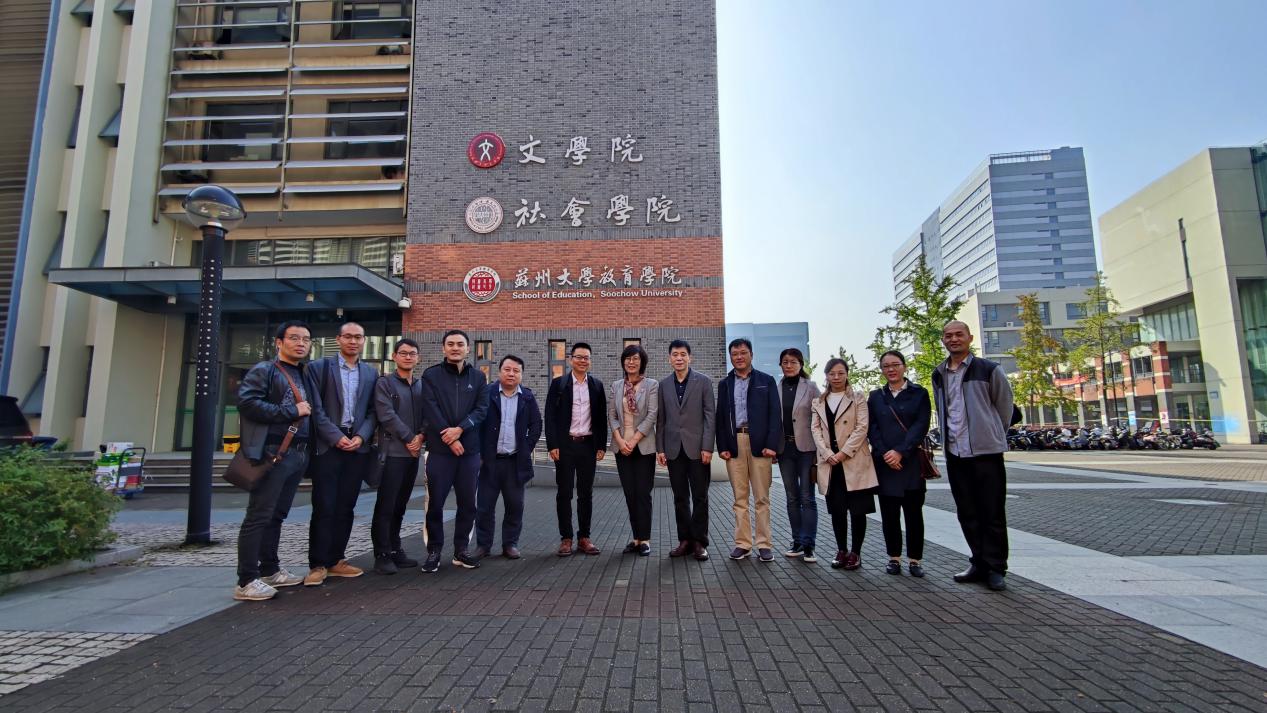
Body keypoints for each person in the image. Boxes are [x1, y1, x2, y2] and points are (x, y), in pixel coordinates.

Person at [233, 321, 327, 601]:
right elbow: (247, 403)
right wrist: (290, 411)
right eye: (294, 338)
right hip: (274, 451)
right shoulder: (266, 370)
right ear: (279, 342)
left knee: (277, 514)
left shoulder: (304, 373)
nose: (301, 343)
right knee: (259, 515)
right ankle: (246, 580)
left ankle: (270, 569)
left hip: (298, 453)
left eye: (306, 339)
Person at [932, 320, 1015, 591]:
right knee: (967, 511)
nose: (953, 339)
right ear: (943, 340)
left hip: (985, 452)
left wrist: (991, 434)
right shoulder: (939, 373)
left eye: (959, 334)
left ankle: (996, 567)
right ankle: (978, 561)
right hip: (955, 452)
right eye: (948, 335)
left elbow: (1004, 408)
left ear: (969, 338)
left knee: (992, 511)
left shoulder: (988, 369)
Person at [302, 322, 378, 586]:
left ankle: (336, 559)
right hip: (328, 446)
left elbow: (373, 412)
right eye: (348, 337)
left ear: (364, 340)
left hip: (357, 446)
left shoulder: (370, 372)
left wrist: (361, 436)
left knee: (346, 506)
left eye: (358, 337)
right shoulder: (318, 368)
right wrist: (336, 437)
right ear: (338, 339)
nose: (353, 341)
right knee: (324, 505)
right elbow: (316, 410)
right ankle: (318, 564)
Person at [419, 329, 489, 572]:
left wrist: (460, 430)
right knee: (435, 504)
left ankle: (462, 550)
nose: (455, 348)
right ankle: (434, 551)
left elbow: (481, 410)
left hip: (469, 452)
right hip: (439, 451)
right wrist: (449, 438)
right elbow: (430, 409)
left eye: (460, 344)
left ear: (468, 349)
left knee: (468, 503)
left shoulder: (478, 377)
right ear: (443, 348)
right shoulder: (431, 375)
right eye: (450, 344)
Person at [866, 350, 932, 578]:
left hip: (911, 462)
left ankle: (915, 559)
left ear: (904, 366)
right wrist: (886, 453)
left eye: (895, 364)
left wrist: (901, 452)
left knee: (914, 514)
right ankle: (894, 557)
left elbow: (921, 426)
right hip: (885, 463)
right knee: (890, 515)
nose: (891, 369)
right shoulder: (876, 396)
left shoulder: (919, 393)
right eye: (886, 366)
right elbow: (872, 428)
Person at [716, 338, 782, 562]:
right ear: (730, 357)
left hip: (761, 446)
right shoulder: (725, 384)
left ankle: (764, 544)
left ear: (751, 355)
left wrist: (772, 445)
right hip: (735, 444)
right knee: (739, 498)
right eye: (735, 354)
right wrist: (723, 446)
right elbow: (720, 418)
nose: (739, 357)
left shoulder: (766, 381)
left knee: (762, 497)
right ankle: (743, 544)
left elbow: (775, 415)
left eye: (743, 353)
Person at [810, 358, 878, 571]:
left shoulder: (858, 398)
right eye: (832, 374)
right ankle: (841, 550)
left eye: (840, 373)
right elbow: (815, 429)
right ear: (826, 376)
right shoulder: (818, 401)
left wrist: (843, 453)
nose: (836, 377)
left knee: (858, 511)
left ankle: (856, 552)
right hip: (830, 463)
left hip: (853, 460)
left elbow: (862, 427)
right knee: (837, 511)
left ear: (847, 374)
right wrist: (827, 453)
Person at [474, 354, 542, 560]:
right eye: (507, 369)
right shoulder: (487, 393)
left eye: (516, 371)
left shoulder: (527, 397)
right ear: (499, 371)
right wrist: (479, 452)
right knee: (484, 506)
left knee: (515, 506)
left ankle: (510, 544)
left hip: (515, 462)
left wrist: (526, 448)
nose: (511, 374)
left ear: (521, 374)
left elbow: (536, 424)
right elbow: (476, 423)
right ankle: (483, 545)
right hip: (489, 462)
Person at [544, 342, 607, 556]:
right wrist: (552, 444)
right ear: (571, 360)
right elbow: (550, 416)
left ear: (590, 361)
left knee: (585, 493)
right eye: (578, 357)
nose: (582, 361)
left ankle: (584, 537)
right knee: (564, 492)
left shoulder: (597, 386)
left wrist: (601, 445)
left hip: (588, 445)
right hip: (565, 446)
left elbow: (601, 418)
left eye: (586, 357)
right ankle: (566, 538)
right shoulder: (559, 384)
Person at [656, 339, 716, 561]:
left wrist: (708, 447)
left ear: (690, 357)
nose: (679, 358)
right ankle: (685, 540)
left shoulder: (704, 382)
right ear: (669, 359)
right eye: (675, 354)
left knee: (700, 496)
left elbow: (710, 416)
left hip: (698, 450)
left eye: (683, 354)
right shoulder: (663, 385)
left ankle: (699, 542)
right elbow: (661, 419)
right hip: (673, 449)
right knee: (680, 497)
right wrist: (660, 448)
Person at [371, 338, 425, 575]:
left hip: (412, 455)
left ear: (418, 358)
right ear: (394, 356)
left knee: (400, 505)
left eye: (412, 353)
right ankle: (382, 554)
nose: (408, 357)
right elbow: (386, 416)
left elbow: (427, 415)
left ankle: (395, 548)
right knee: (386, 505)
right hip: (393, 453)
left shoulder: (421, 386)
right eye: (403, 353)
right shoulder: (385, 383)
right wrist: (410, 439)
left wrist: (421, 437)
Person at [608, 344, 659, 556]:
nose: (631, 362)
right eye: (628, 358)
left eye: (635, 358)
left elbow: (652, 414)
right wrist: (621, 441)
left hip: (643, 447)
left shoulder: (652, 385)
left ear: (642, 362)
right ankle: (636, 538)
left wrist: (634, 440)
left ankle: (645, 539)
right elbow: (612, 416)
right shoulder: (616, 386)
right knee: (630, 494)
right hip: (622, 448)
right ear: (623, 362)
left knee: (643, 494)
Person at [775, 348, 821, 563]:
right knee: (791, 497)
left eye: (793, 361)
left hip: (807, 449)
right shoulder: (776, 388)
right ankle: (797, 541)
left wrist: (820, 450)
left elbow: (820, 419)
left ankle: (809, 544)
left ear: (801, 364)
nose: (789, 365)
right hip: (785, 449)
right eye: (785, 361)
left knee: (807, 496)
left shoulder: (810, 387)